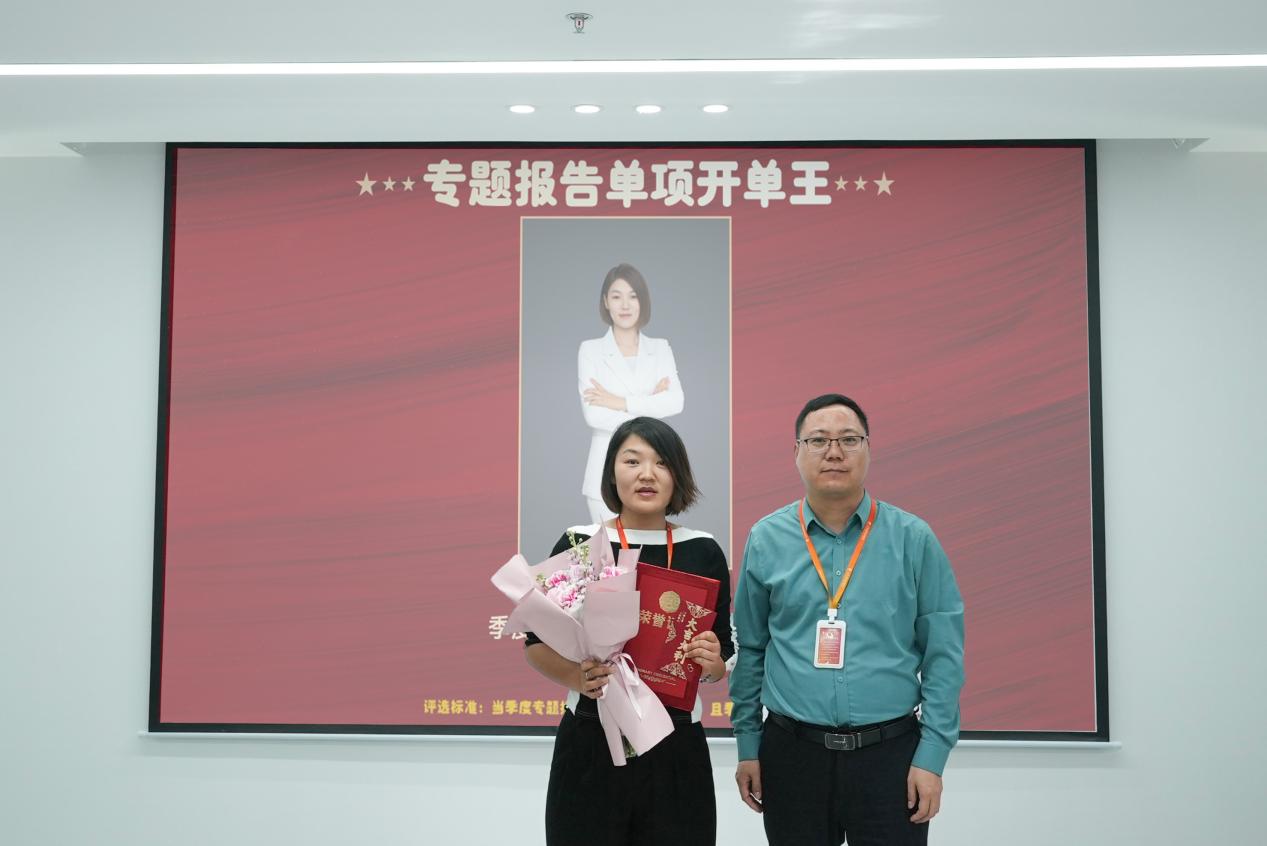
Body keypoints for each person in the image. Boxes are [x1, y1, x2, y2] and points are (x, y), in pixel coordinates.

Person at [729, 393, 965, 846]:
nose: (834, 452)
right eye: (818, 440)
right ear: (796, 452)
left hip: (891, 757)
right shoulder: (766, 538)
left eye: (849, 439)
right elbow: (752, 648)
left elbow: (944, 654)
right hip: (792, 756)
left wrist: (932, 756)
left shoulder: (913, 539)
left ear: (868, 449)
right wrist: (748, 745)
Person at [525, 416, 732, 846]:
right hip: (591, 739)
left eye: (661, 462)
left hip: (676, 742)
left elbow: (722, 656)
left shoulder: (703, 549)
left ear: (678, 474)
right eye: (632, 461)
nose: (646, 474)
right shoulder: (580, 543)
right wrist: (576, 677)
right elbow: (535, 644)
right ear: (611, 473)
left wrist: (713, 664)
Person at [577, 263, 684, 526]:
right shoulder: (590, 350)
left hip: (654, 468)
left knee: (650, 548)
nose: (625, 305)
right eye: (617, 297)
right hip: (604, 469)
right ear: (606, 302)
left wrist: (618, 402)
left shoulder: (660, 348)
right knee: (608, 552)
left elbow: (675, 402)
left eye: (633, 296)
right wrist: (651, 402)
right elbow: (594, 415)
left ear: (642, 301)